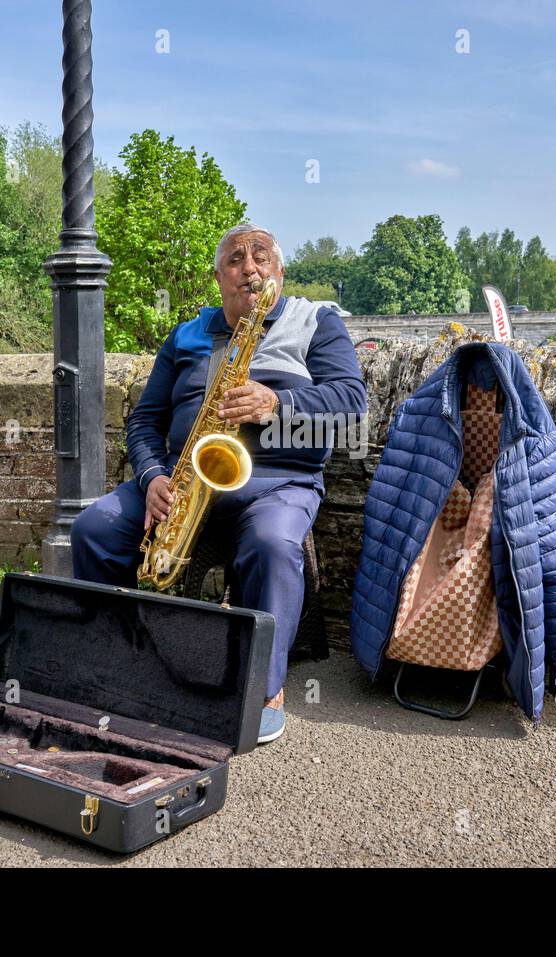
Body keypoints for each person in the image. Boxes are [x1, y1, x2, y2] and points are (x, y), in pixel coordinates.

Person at [71, 223, 367, 743]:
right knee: (93, 528)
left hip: (280, 479)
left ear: (278, 271)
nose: (249, 267)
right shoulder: (187, 333)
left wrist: (278, 404)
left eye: (261, 257)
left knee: (274, 545)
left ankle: (264, 688)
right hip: (184, 476)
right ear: (218, 277)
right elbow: (144, 422)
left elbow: (351, 405)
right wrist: (152, 475)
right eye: (234, 259)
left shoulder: (315, 320)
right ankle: (115, 657)